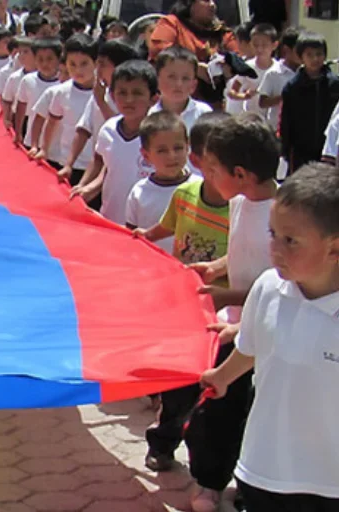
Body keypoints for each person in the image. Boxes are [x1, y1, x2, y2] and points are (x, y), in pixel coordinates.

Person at [200, 162, 339, 512]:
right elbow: (252, 346)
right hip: (265, 467)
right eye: (272, 234)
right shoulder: (267, 288)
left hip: (330, 480)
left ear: (334, 249)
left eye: (290, 240)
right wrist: (222, 377)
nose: (275, 248)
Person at [184, 114, 279, 512]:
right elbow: (242, 252)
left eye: (211, 170)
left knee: (256, 412)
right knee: (217, 406)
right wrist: (218, 267)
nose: (206, 178)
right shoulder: (240, 202)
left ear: (240, 173)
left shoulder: (285, 214)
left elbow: (282, 281)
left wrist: (229, 295)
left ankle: (248, 484)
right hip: (232, 328)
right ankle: (208, 482)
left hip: (264, 334)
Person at [134, 111, 230, 475]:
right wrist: (141, 237)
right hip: (185, 306)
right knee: (178, 388)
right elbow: (164, 227)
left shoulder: (241, 208)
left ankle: (209, 460)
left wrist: (219, 271)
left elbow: (244, 252)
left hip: (222, 313)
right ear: (200, 160)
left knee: (212, 389)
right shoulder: (185, 193)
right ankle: (163, 444)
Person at [70, 60, 159, 226]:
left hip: (147, 228)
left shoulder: (161, 136)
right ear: (112, 95)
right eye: (122, 93)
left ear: (154, 98)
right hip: (110, 220)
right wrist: (89, 187)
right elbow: (106, 166)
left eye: (137, 93)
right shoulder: (108, 129)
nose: (129, 99)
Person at [60, 40, 137, 204]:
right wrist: (69, 164)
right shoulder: (100, 92)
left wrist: (101, 101)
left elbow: (121, 130)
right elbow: (83, 130)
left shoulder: (130, 98)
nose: (98, 69)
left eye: (103, 64)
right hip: (96, 169)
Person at [126, 111, 199, 249]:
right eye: (162, 151)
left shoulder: (201, 187)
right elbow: (132, 235)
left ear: (187, 146)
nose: (172, 156)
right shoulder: (139, 192)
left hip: (188, 268)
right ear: (146, 155)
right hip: (150, 267)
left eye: (178, 148)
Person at [31, 33, 97, 181]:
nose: (78, 70)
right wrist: (44, 149)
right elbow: (52, 121)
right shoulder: (61, 92)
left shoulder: (105, 93)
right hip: (67, 163)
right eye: (72, 64)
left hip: (95, 165)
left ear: (96, 63)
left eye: (84, 64)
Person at [149, 0, 239, 107]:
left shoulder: (222, 33)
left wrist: (225, 67)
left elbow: (239, 58)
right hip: (175, 104)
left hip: (218, 107)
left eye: (213, 1)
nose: (212, 5)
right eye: (206, 0)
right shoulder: (171, 24)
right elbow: (159, 50)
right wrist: (195, 68)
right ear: (189, 3)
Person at [280, 31, 339, 175]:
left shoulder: (334, 84)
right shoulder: (293, 87)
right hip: (301, 151)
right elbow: (286, 121)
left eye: (319, 54)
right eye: (310, 55)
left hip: (327, 150)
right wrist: (286, 149)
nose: (315, 59)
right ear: (300, 57)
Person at [149, 46, 212, 177]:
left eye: (185, 78)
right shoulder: (149, 116)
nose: (178, 84)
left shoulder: (204, 114)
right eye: (171, 77)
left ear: (194, 84)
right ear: (158, 80)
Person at [13, 37, 62, 147]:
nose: (45, 64)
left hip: (56, 145)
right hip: (31, 140)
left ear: (59, 59)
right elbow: (21, 106)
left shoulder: (64, 84)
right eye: (40, 59)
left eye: (50, 59)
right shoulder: (28, 80)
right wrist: (18, 132)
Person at [226, 23, 278, 118]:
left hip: (271, 120)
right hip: (250, 118)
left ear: (274, 45)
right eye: (255, 45)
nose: (259, 49)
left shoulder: (279, 69)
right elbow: (232, 93)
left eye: (264, 45)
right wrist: (245, 96)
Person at [257, 27, 301, 132]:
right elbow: (262, 102)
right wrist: (284, 97)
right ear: (287, 49)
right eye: (299, 50)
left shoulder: (305, 71)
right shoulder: (274, 73)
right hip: (277, 128)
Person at [0, 36, 35, 129]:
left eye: (26, 52)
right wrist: (6, 118)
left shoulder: (42, 77)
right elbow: (7, 100)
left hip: (36, 119)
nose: (21, 55)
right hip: (18, 118)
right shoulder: (14, 77)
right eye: (19, 52)